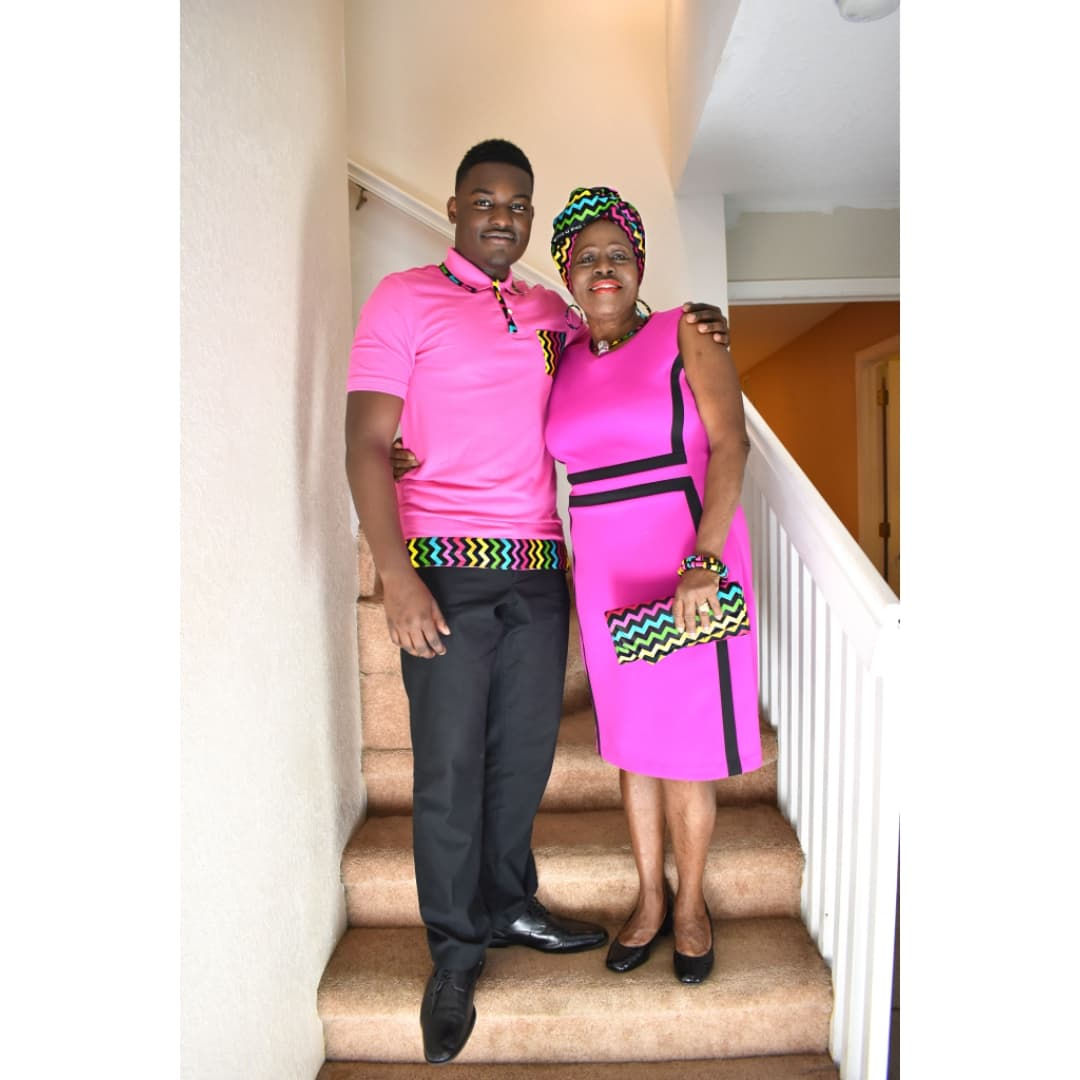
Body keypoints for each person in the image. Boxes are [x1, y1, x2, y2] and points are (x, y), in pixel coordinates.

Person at [345, 142, 731, 1063]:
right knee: (446, 771)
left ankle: (510, 901)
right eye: (485, 201)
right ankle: (453, 951)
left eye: (518, 205)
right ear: (452, 206)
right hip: (439, 565)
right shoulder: (402, 299)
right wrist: (393, 573)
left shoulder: (553, 308)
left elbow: (623, 339)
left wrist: (695, 324)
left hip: (542, 564)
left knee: (521, 758)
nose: (503, 218)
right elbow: (366, 442)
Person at [544, 186, 763, 984]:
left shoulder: (687, 333)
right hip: (604, 566)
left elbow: (732, 447)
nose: (605, 268)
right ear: (566, 272)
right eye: (587, 257)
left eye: (620, 255)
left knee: (689, 750)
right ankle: (647, 900)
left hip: (685, 562)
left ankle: (694, 903)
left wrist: (704, 561)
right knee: (633, 750)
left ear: (641, 266)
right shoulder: (556, 353)